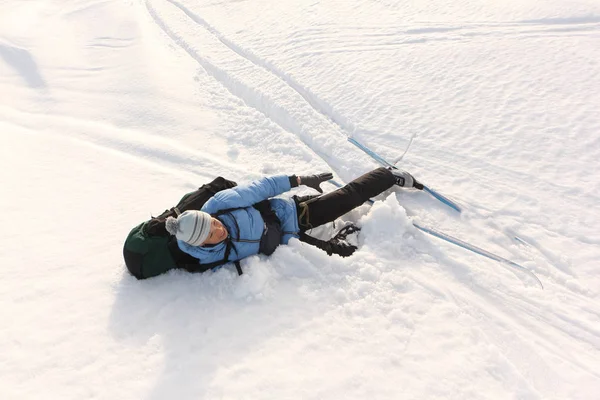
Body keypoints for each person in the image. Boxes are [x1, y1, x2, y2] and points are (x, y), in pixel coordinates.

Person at [164, 167, 423, 267]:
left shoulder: (219, 204)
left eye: (214, 225)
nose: (218, 231)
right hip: (290, 241)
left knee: (347, 199)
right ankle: (344, 233)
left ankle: (387, 175)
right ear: (200, 245)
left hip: (290, 215)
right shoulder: (202, 257)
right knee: (343, 256)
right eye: (210, 236)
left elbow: (261, 188)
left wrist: (298, 180)